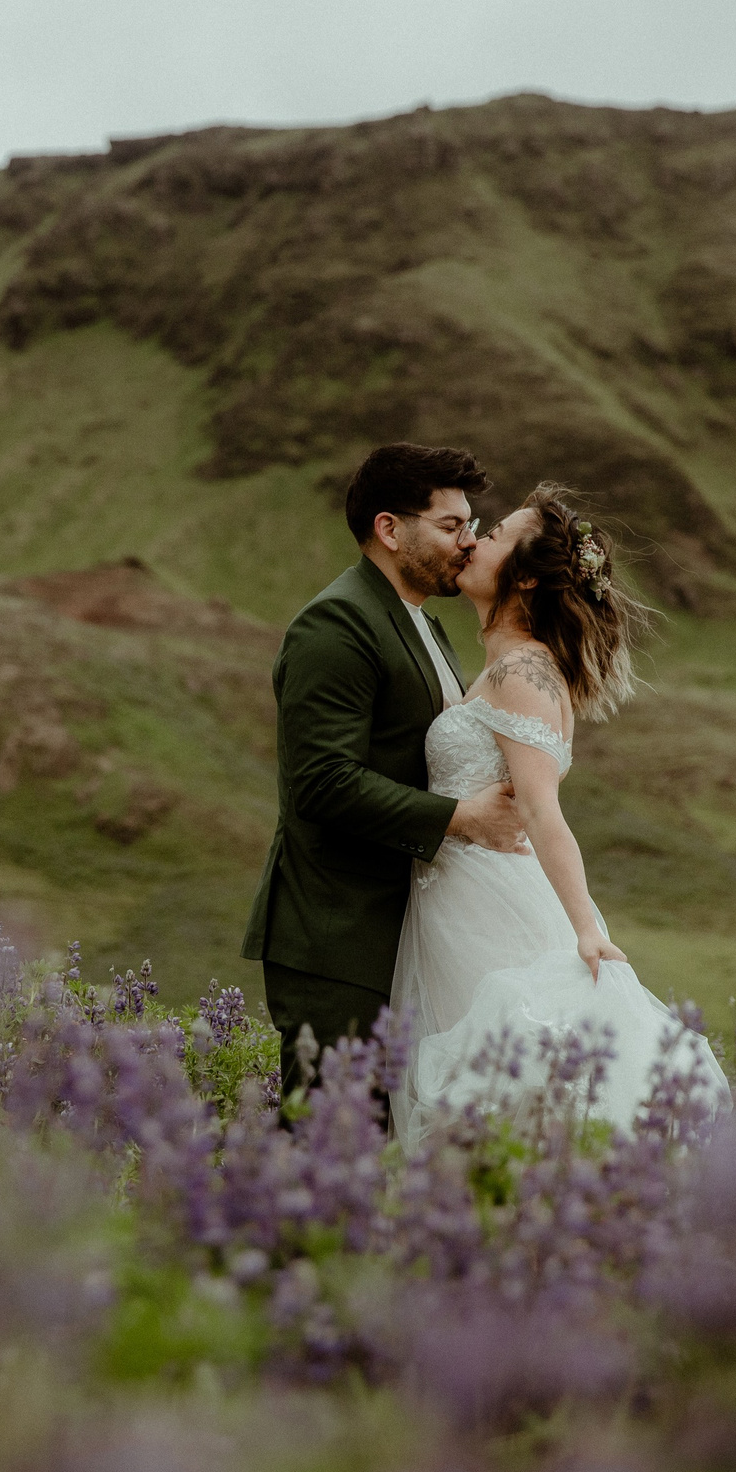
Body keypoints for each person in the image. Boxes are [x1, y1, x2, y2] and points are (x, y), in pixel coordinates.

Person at [387, 481, 730, 1141]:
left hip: (495, 908)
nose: (475, 540)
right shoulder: (503, 665)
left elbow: (543, 810)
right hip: (454, 902)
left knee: (509, 1098)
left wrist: (586, 928)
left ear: (527, 581)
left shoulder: (525, 670)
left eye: (495, 535)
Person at [241, 443, 529, 1111]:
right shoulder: (337, 622)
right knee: (329, 1143)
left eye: (470, 525)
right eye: (451, 525)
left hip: (400, 933)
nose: (468, 541)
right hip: (338, 936)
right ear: (390, 529)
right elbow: (323, 781)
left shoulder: (424, 623)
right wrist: (460, 819)